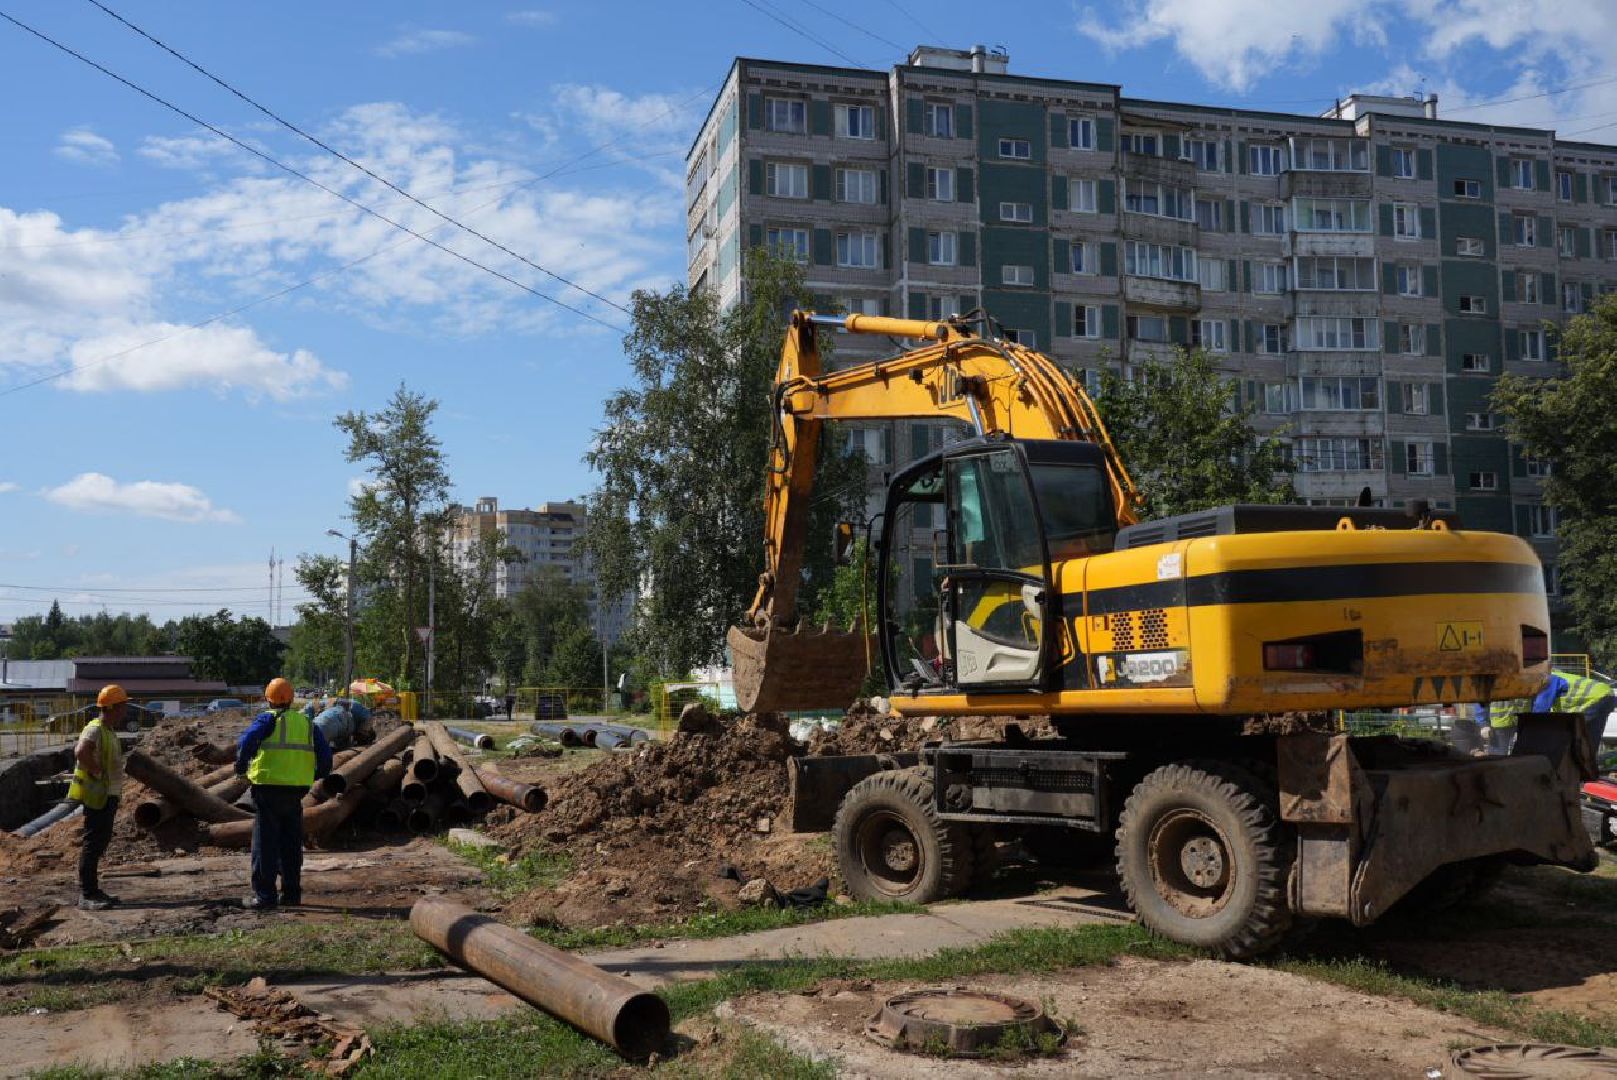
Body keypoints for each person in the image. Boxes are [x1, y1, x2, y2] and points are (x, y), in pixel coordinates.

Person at [236, 677, 332, 911]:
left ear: (269, 699)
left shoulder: (268, 719)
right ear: (291, 700)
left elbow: (247, 741)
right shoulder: (307, 723)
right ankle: (291, 893)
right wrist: (317, 773)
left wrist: (241, 766)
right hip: (296, 791)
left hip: (268, 790)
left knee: (265, 844)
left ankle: (265, 897)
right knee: (290, 843)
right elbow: (326, 756)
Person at [68, 685, 129, 911]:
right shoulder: (95, 729)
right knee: (93, 844)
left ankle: (93, 890)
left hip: (107, 796)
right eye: (122, 706)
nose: (125, 711)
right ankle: (88, 893)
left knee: (99, 843)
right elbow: (81, 752)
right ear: (112, 707)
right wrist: (96, 771)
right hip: (98, 797)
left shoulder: (108, 730)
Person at [1541, 668, 1615, 757]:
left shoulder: (1546, 679)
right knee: (1589, 740)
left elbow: (1540, 711)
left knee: (1571, 737)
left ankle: (1571, 766)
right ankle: (1587, 766)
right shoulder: (1553, 676)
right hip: (1607, 694)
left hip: (1593, 699)